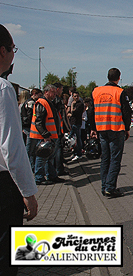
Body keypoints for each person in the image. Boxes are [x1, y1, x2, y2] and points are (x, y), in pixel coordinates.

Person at [0, 23, 38, 276]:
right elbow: (12, 148)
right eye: (14, 49)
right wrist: (29, 192)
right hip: (3, 186)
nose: (14, 54)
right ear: (2, 51)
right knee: (5, 252)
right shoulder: (3, 90)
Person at [90, 68, 131, 198]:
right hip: (116, 129)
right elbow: (126, 112)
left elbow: (90, 111)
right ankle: (110, 187)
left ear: (107, 77)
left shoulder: (96, 91)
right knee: (115, 159)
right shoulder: (119, 92)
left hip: (101, 129)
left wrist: (92, 128)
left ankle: (104, 187)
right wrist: (127, 128)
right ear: (119, 78)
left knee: (105, 159)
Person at [29, 84, 65, 185]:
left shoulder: (49, 103)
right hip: (44, 137)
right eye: (53, 92)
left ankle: (52, 176)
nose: (55, 94)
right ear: (46, 92)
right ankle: (39, 178)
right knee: (42, 157)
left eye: (55, 92)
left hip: (51, 135)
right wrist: (45, 135)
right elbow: (39, 122)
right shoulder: (42, 103)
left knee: (49, 157)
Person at [21, 88, 43, 170]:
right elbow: (31, 116)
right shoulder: (31, 103)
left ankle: (30, 165)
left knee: (31, 148)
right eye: (39, 95)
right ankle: (28, 166)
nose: (40, 97)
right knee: (30, 148)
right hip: (29, 127)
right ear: (34, 94)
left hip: (28, 126)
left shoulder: (29, 102)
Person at [52, 82, 68, 176]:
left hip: (54, 129)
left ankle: (57, 169)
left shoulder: (52, 100)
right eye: (61, 89)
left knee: (57, 150)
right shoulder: (58, 100)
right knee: (58, 150)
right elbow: (62, 116)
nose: (62, 91)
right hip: (57, 129)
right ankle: (59, 169)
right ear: (57, 89)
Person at [67, 88, 85, 161]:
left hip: (77, 123)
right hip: (72, 122)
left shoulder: (80, 104)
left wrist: (72, 107)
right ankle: (75, 152)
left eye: (77, 96)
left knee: (76, 138)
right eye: (74, 96)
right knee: (73, 138)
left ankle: (78, 152)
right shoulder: (73, 103)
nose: (76, 97)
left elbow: (74, 113)